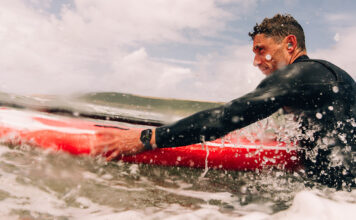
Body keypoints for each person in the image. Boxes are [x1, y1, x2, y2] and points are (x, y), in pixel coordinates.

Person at [94, 14, 356, 190]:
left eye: (261, 50)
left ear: (290, 44)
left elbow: (227, 117)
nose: (256, 61)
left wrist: (147, 138)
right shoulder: (331, 76)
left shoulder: (295, 77)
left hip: (335, 200)